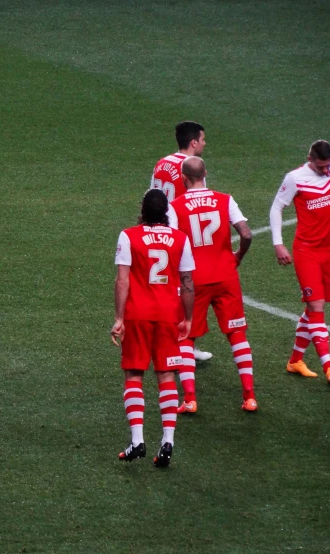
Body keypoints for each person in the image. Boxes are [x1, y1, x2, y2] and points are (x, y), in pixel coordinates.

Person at [112, 189, 195, 468]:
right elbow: (187, 283)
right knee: (167, 375)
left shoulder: (129, 235)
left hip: (137, 314)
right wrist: (188, 318)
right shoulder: (181, 239)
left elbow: (122, 280)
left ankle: (137, 441)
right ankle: (168, 440)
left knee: (134, 373)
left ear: (143, 210)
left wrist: (119, 318)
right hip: (167, 315)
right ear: (166, 213)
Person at [270, 131, 330, 384]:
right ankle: (329, 367)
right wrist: (278, 244)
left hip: (329, 251)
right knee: (317, 307)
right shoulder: (295, 178)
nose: (325, 171)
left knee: (313, 308)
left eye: (328, 165)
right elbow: (277, 207)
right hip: (306, 251)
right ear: (309, 159)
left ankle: (295, 360)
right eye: (321, 166)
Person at [168, 157, 256, 412]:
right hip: (226, 276)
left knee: (186, 336)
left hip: (193, 280)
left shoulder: (175, 207)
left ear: (184, 178)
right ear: (205, 173)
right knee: (237, 334)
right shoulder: (225, 199)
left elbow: (173, 243)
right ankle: (249, 397)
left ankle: (190, 400)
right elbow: (247, 233)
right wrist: (237, 256)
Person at [150, 121, 212, 362]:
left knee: (163, 288)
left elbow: (151, 195)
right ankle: (183, 345)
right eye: (203, 139)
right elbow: (196, 204)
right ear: (193, 142)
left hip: (156, 232)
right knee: (184, 290)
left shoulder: (161, 163)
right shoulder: (192, 168)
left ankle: (166, 342)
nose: (205, 143)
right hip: (180, 236)